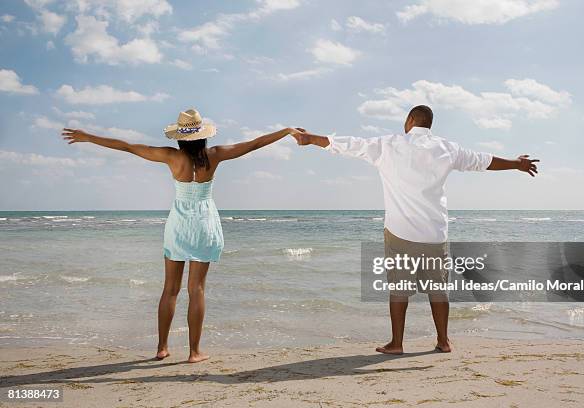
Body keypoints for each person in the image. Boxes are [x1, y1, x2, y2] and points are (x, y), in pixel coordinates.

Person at [292, 105, 539, 354]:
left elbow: (349, 144)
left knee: (399, 289)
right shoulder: (447, 148)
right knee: (438, 289)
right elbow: (484, 161)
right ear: (429, 124)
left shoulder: (388, 145)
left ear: (410, 120)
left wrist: (310, 138)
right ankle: (444, 341)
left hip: (401, 232)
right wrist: (517, 164)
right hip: (434, 234)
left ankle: (397, 343)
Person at [62, 108, 303, 362]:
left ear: (180, 137)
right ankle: (194, 352)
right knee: (196, 289)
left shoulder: (171, 157)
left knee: (170, 289)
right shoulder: (215, 155)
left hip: (178, 225)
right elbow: (254, 144)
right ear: (203, 136)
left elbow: (128, 147)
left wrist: (88, 137)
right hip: (204, 224)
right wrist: (287, 131)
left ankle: (162, 348)